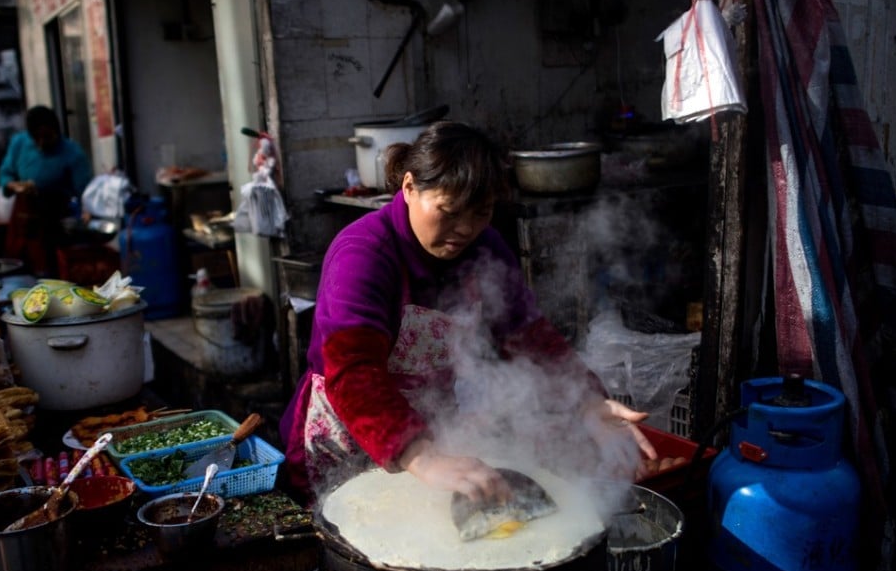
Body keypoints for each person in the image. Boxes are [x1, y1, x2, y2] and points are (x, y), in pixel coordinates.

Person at [279, 121, 655, 506]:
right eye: (448, 210)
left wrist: (588, 399)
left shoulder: (484, 249)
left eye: (480, 213)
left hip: (433, 426)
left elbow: (526, 335)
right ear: (409, 187)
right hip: (351, 432)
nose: (464, 229)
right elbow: (354, 370)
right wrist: (419, 455)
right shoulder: (364, 253)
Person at [0, 105, 92, 276]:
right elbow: (5, 173)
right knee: (19, 269)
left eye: (47, 137)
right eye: (36, 138)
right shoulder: (19, 143)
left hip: (53, 222)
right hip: (22, 219)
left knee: (50, 271)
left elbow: (85, 193)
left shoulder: (72, 153)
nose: (42, 143)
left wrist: (87, 211)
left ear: (57, 131)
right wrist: (14, 186)